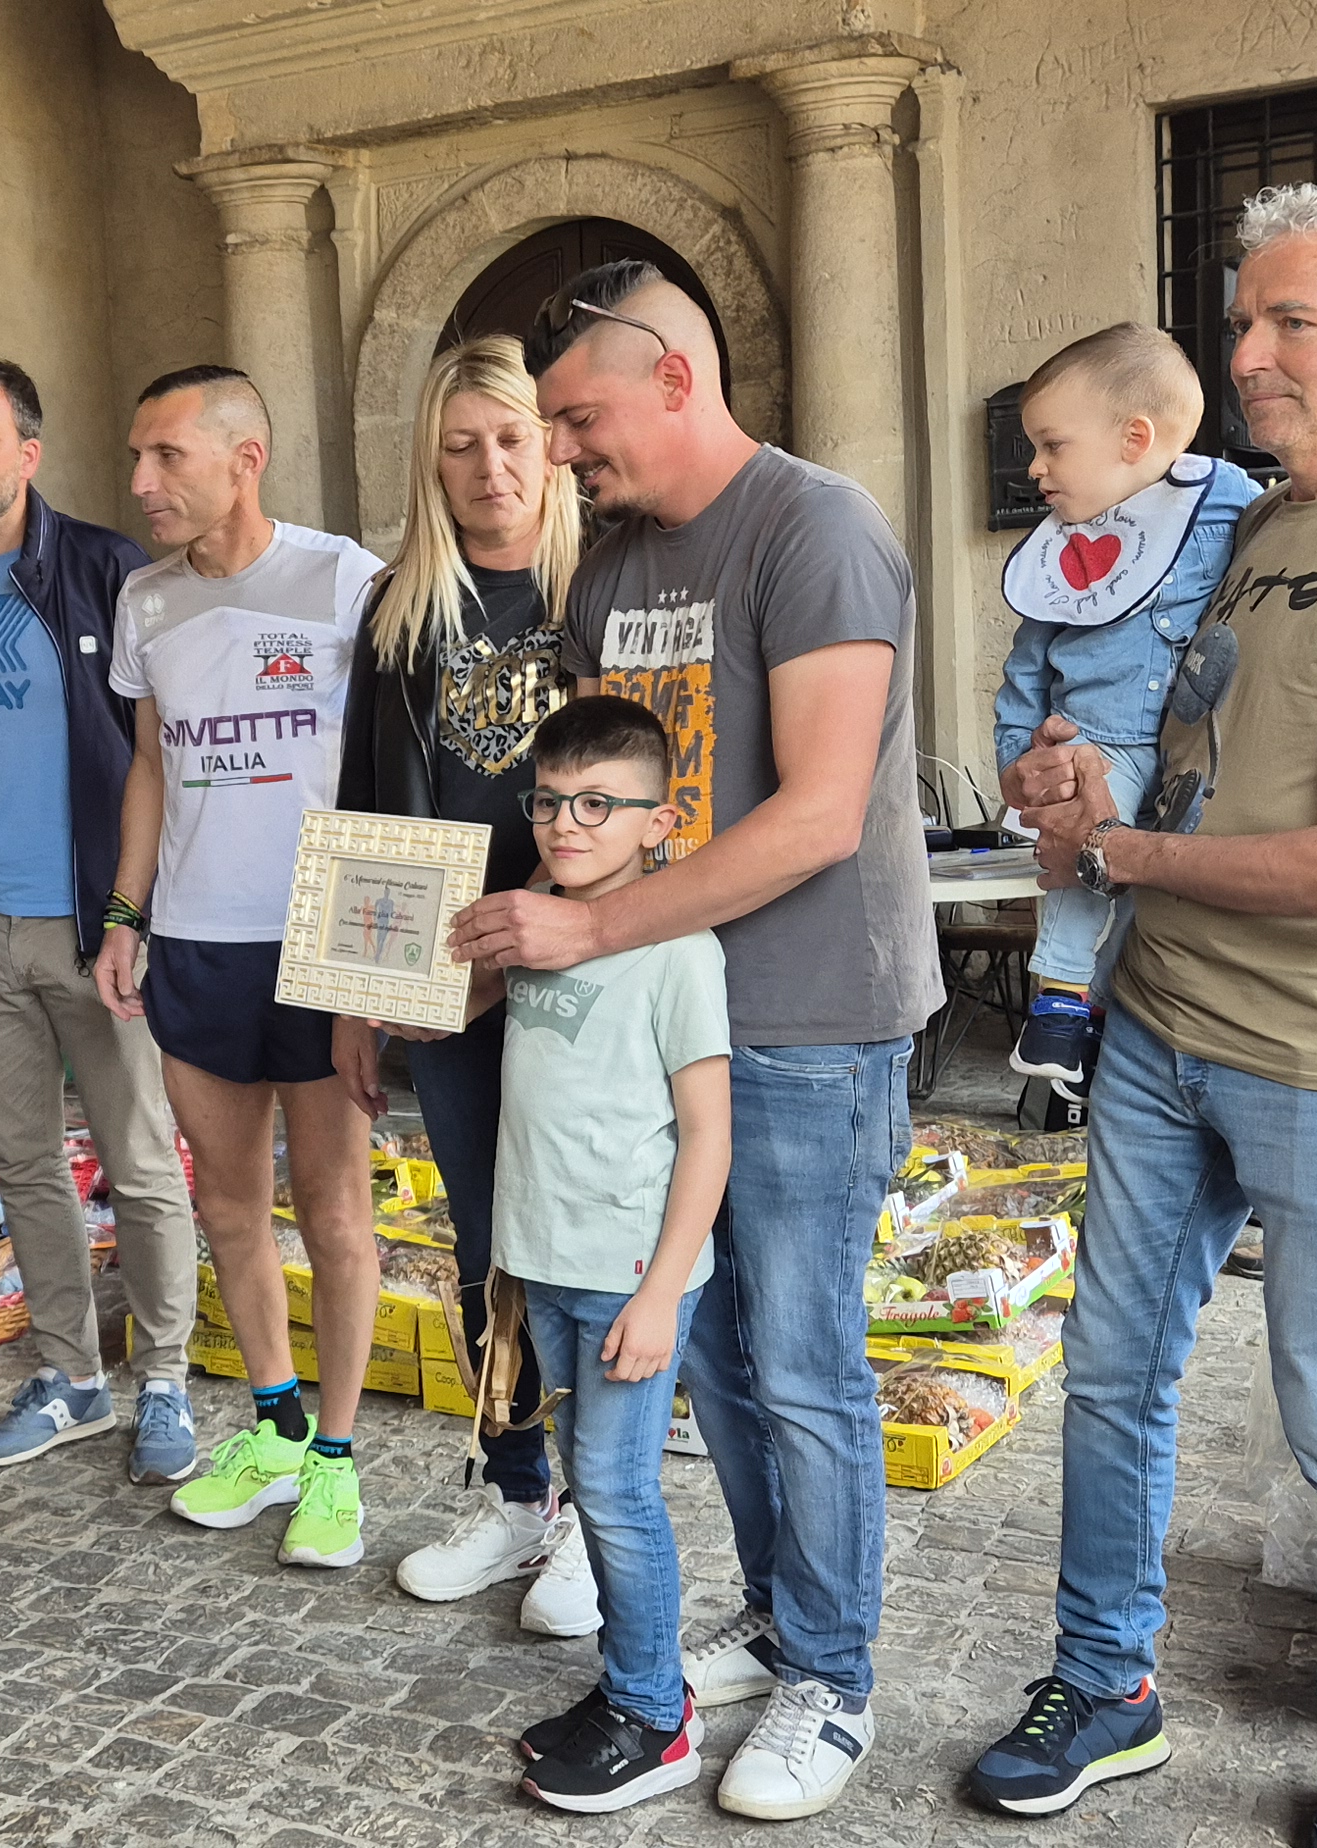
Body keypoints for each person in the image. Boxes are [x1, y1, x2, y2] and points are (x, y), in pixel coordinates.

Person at [973, 178, 1317, 1848]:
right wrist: (1074, 777)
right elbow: (1188, 754)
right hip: (1162, 1025)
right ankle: (1104, 1682)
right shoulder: (1255, 529)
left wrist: (1118, 851)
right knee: (1111, 1376)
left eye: (1294, 322)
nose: (1251, 355)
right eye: (1243, 321)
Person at [463, 260, 939, 1820]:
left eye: (579, 419)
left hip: (810, 1019)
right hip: (659, 1021)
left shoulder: (817, 528)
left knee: (802, 1368)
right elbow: (607, 796)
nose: (562, 453)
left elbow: (818, 813)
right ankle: (785, 1619)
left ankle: (836, 1679)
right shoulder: (607, 567)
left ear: (674, 378)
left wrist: (593, 934)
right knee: (718, 1367)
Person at [0, 355, 207, 1482]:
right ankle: (72, 1377)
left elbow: (154, 753)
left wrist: (133, 911)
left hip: (95, 927)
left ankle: (164, 1377)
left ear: (27, 452)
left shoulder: (108, 570)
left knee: (141, 1160)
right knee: (24, 1164)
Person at [90, 366, 387, 1570]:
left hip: (317, 939)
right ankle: (272, 1429)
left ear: (244, 458)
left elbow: (385, 768)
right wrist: (127, 912)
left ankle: (336, 1460)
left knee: (335, 1209)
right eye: (137, 456)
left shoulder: (346, 580)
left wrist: (376, 950)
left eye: (167, 455)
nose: (141, 481)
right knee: (225, 1203)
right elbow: (152, 764)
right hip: (197, 942)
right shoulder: (144, 599)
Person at [330, 335, 597, 1634]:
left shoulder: (606, 586)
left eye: (511, 438)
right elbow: (369, 810)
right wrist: (357, 994)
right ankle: (515, 1491)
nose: (491, 467)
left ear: (551, 447)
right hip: (444, 984)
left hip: (587, 968)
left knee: (581, 1248)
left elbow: (636, 790)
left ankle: (600, 1516)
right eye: (461, 445)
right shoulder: (401, 614)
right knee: (488, 1246)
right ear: (429, 466)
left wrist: (524, 944)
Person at [487, 697, 732, 1814]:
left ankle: (653, 1714)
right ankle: (626, 1687)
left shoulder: (679, 949)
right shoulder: (534, 922)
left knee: (618, 1493)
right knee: (587, 1478)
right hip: (546, 1258)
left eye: (598, 805)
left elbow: (708, 1135)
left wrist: (662, 1290)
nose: (565, 825)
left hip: (629, 1274)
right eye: (548, 803)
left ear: (659, 822)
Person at [991, 325, 1263, 1083]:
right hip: (1094, 740)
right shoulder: (1060, 550)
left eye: (1052, 445)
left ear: (1134, 439)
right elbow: (1026, 671)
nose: (1035, 468)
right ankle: (1060, 998)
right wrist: (1017, 764)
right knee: (1084, 844)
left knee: (1164, 886)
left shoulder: (1228, 503)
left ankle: (1111, 1000)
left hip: (1196, 749)